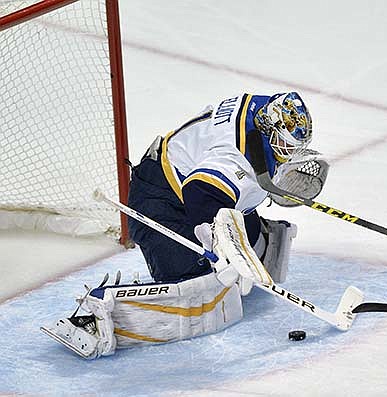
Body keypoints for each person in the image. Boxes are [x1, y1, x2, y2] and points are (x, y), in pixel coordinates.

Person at [41, 92, 330, 359]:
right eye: (285, 145)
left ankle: (256, 237)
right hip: (160, 198)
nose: (287, 152)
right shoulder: (232, 157)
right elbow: (199, 195)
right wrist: (220, 248)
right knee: (200, 283)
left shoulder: (263, 109)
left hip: (192, 180)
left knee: (239, 247)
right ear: (268, 128)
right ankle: (97, 317)